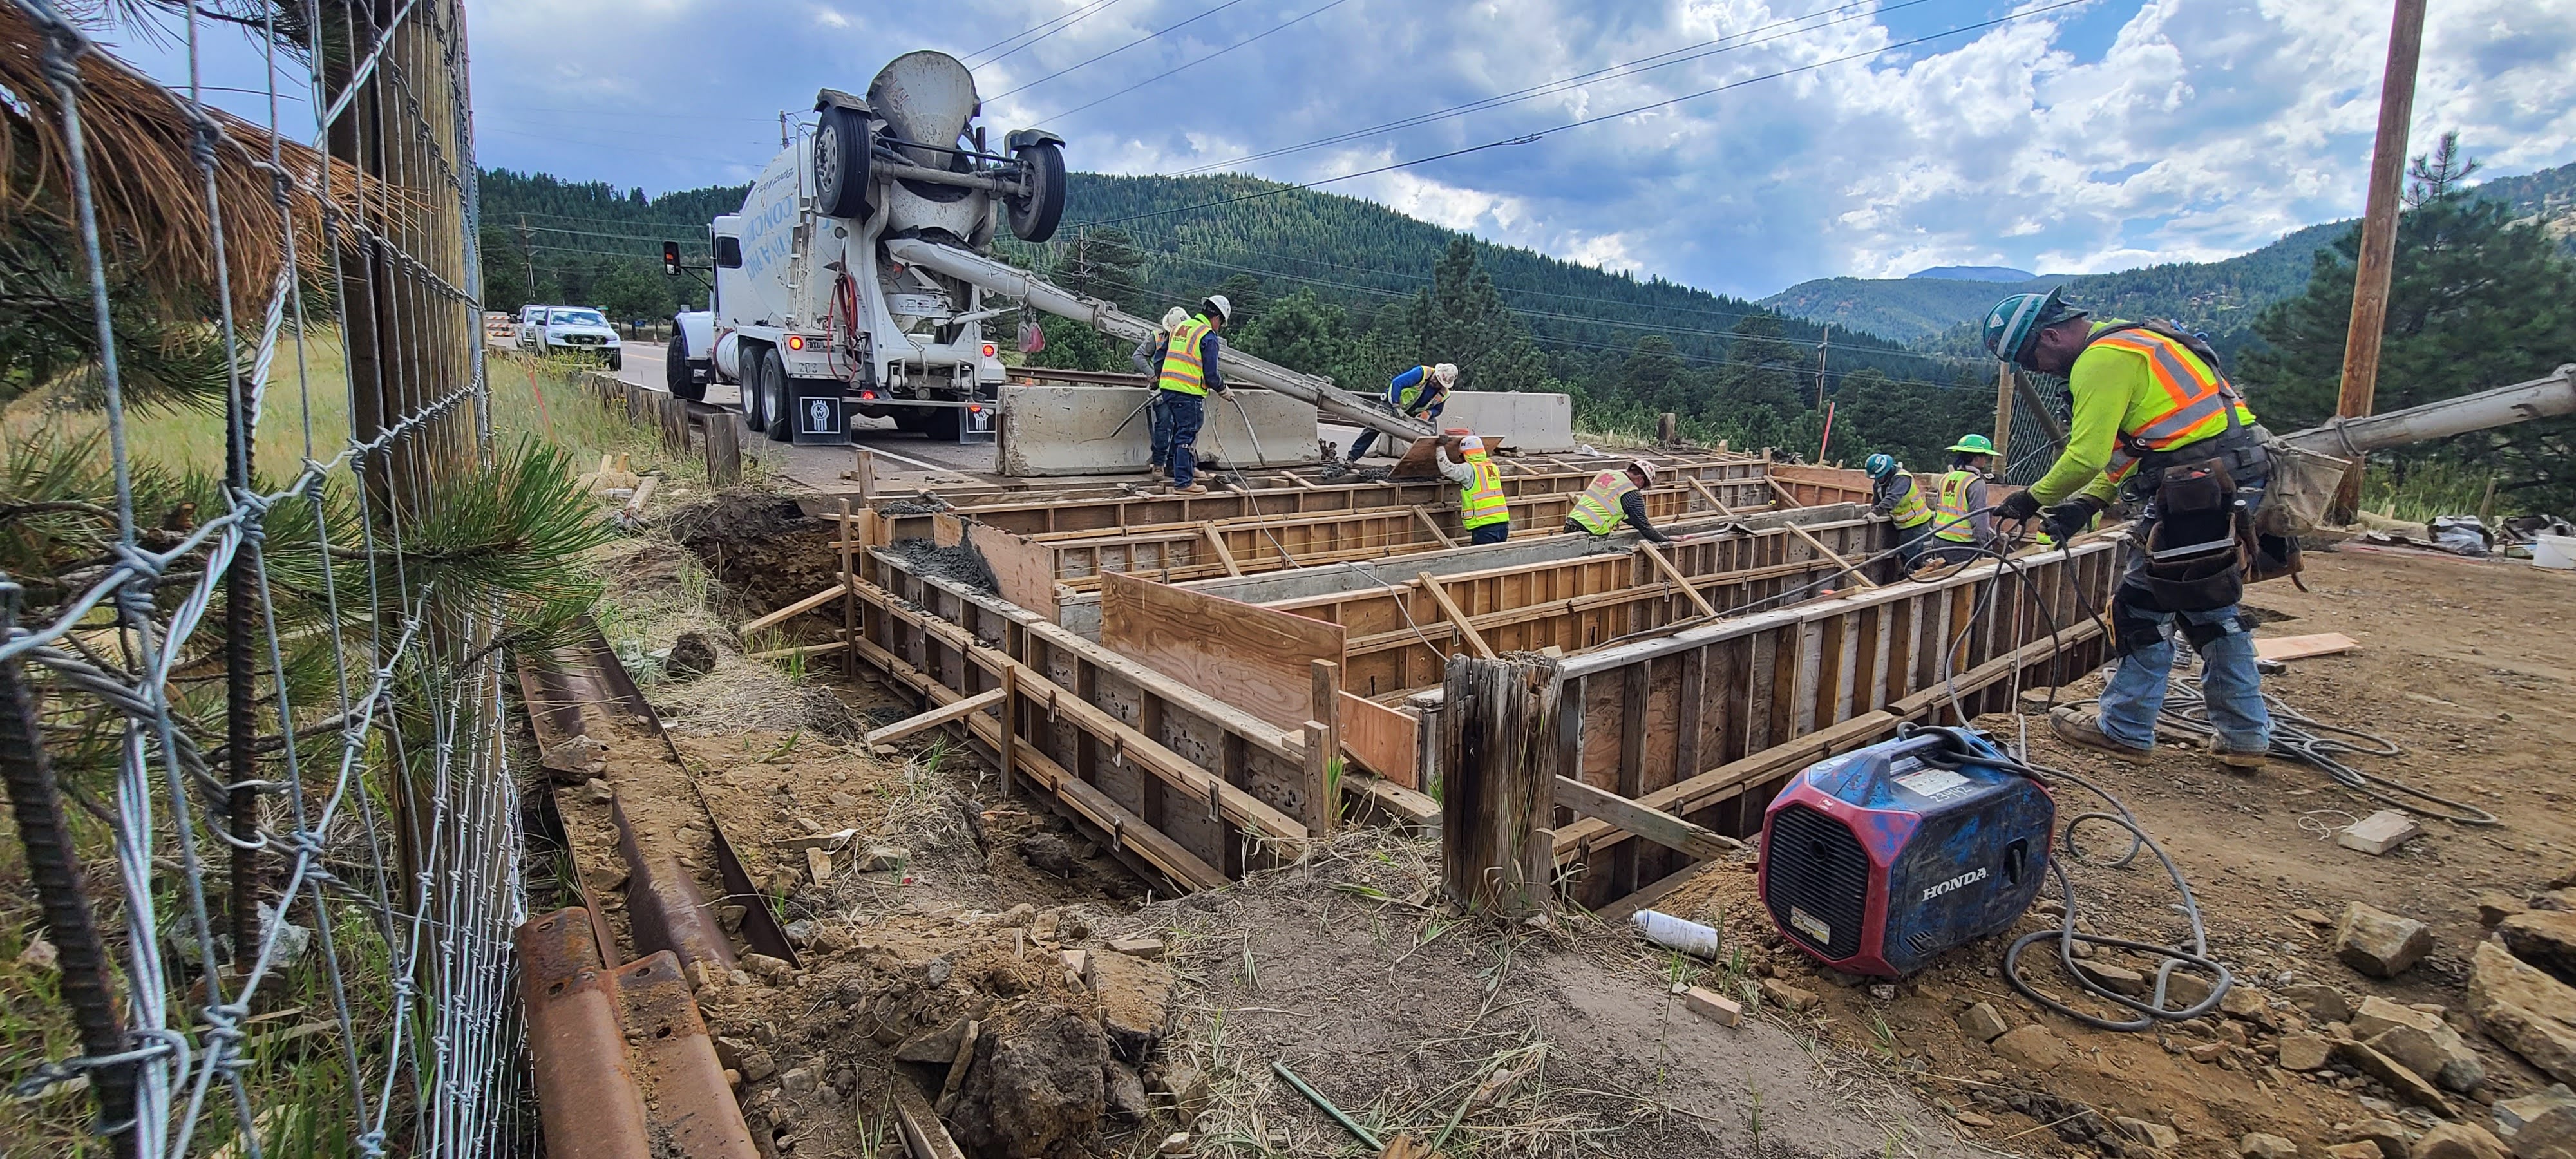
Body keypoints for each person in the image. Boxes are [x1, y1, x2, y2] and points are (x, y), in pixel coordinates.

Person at [1984, 287, 2273, 770]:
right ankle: (2244, 734)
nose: (2042, 370)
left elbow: (2085, 455)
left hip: (2198, 486)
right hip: (2224, 476)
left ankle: (2125, 728)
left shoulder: (2100, 361)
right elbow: (2133, 449)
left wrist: (2032, 498)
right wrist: (2088, 502)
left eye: (2034, 360)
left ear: (2051, 336)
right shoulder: (2133, 342)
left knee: (2138, 608)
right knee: (2209, 604)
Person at [1154, 294, 1233, 495]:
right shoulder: (1208, 336)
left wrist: (1164, 380)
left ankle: (1180, 471)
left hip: (1168, 388)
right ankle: (1183, 483)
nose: (1219, 328)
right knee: (1187, 435)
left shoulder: (1181, 327)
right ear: (1217, 319)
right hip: (1187, 392)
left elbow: (1161, 357)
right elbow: (1211, 374)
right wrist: (1223, 390)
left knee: (1180, 431)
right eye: (1221, 324)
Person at [1345, 362, 1458, 461]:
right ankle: (1352, 457)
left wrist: (1429, 413)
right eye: (1436, 379)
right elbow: (1397, 383)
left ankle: (1428, 463)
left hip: (1412, 413)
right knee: (1375, 426)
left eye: (1439, 383)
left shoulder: (1444, 393)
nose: (1436, 383)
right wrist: (1396, 405)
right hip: (1394, 403)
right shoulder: (1421, 373)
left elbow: (1438, 409)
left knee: (1431, 431)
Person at [1132, 306, 1191, 481]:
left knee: (1181, 426)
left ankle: (1173, 465)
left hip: (1180, 388)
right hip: (1161, 390)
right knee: (1165, 422)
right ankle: (1159, 464)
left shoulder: (1187, 340)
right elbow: (1138, 356)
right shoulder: (1157, 338)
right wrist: (1152, 375)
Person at [1922, 435, 1998, 564]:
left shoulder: (1946, 477)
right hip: (1962, 544)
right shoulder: (1976, 483)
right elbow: (1979, 518)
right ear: (1976, 458)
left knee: (1941, 580)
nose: (1986, 460)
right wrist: (1986, 546)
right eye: (1984, 456)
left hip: (1940, 538)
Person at [1562, 458, 1670, 543]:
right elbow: (1645, 528)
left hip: (1571, 524)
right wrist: (1667, 539)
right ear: (1641, 479)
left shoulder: (1605, 473)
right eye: (1644, 487)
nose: (1641, 490)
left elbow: (1610, 505)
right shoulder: (1632, 494)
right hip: (1589, 534)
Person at [1864, 452, 1938, 567]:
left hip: (1916, 522)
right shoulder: (1879, 483)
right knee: (1909, 556)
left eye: (1880, 476)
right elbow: (1877, 501)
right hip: (1902, 524)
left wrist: (1876, 513)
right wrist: (1873, 510)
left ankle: (1912, 579)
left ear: (1887, 471)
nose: (1878, 480)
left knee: (1908, 556)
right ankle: (1914, 574)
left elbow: (1892, 498)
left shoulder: (1902, 479)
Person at [1439, 432, 1510, 545]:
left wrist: (1440, 448)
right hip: (1503, 524)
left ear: (1466, 454)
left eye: (1461, 455)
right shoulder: (1493, 467)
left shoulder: (1469, 469)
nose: (1459, 458)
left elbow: (1447, 469)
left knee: (1481, 560)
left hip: (1484, 526)